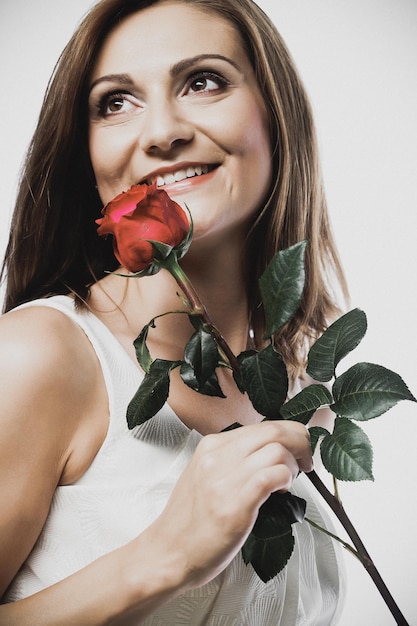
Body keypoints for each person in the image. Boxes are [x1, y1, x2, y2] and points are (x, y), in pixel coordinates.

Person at [0, 0, 349, 623]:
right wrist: (164, 556)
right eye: (115, 101)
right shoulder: (37, 357)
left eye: (203, 81)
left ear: (276, 112)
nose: (161, 131)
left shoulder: (303, 383)